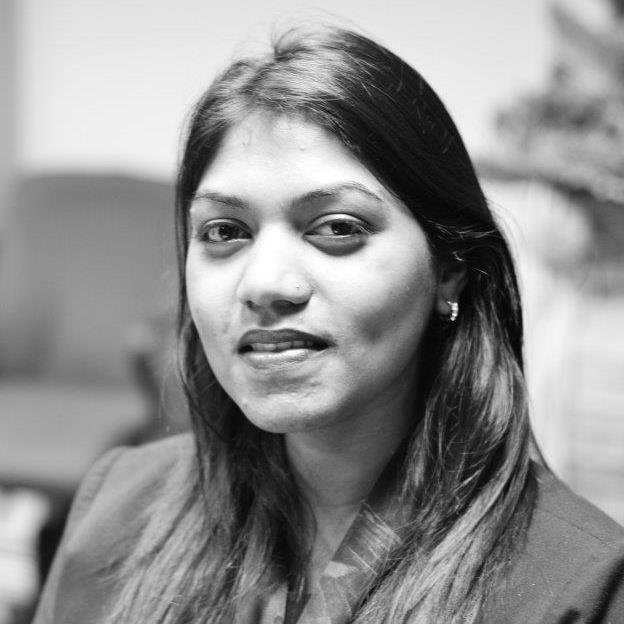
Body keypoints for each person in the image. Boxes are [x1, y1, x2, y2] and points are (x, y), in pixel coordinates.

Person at [33, 25, 624, 624]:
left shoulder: (580, 585)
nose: (264, 283)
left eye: (337, 228)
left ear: (448, 271)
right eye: (225, 232)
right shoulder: (116, 509)